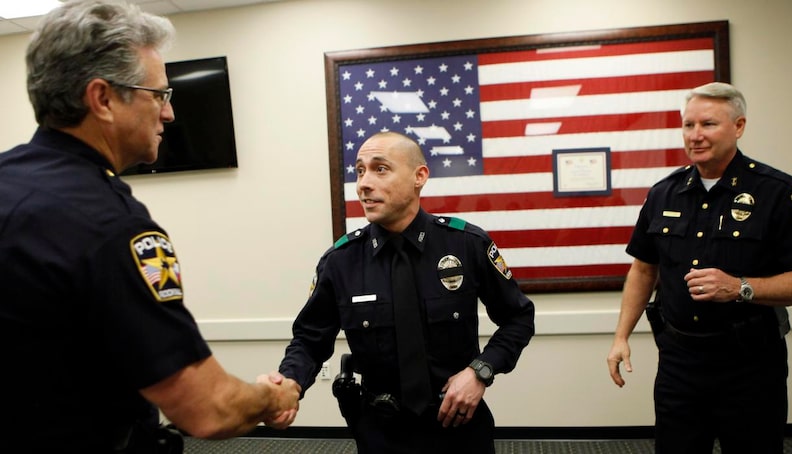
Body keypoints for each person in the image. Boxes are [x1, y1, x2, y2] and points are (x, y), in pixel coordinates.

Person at [0, 1, 299, 452]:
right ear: (102, 99)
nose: (169, 114)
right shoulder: (107, 224)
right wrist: (272, 396)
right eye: (158, 94)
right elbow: (208, 408)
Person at [276, 131, 535, 453]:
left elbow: (518, 318)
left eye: (380, 169)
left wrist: (480, 371)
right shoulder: (341, 261)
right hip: (381, 430)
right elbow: (310, 339)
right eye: (359, 171)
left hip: (458, 425)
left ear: (419, 176)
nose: (363, 184)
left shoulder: (466, 245)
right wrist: (290, 383)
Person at [606, 82, 792, 453]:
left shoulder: (777, 191)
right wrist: (620, 337)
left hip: (750, 364)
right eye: (688, 125)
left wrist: (740, 287)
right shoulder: (664, 192)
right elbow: (644, 270)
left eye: (708, 124)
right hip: (679, 361)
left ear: (738, 126)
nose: (695, 135)